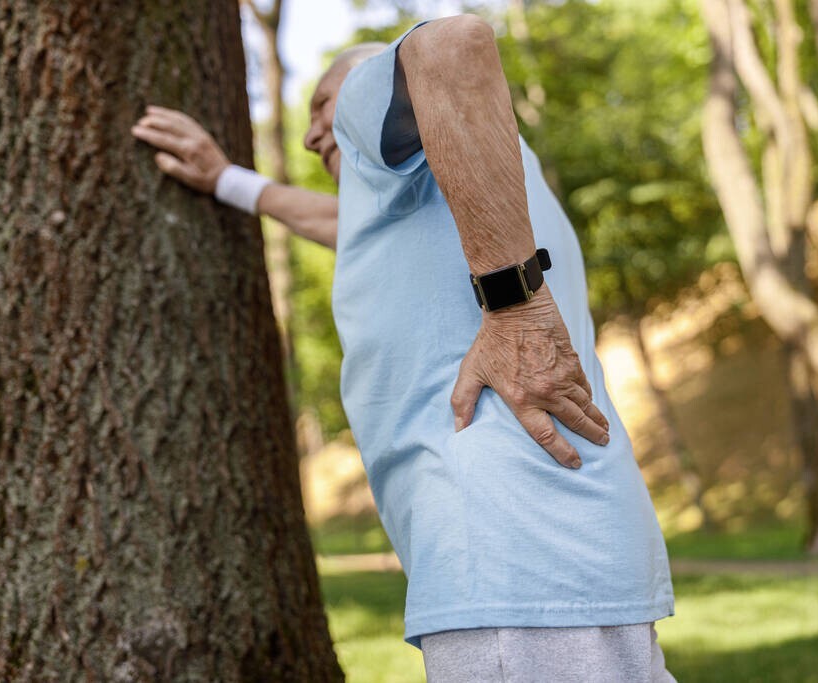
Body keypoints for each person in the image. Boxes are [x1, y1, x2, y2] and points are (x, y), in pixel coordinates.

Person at [132, 14, 676, 682]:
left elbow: (448, 48)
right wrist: (227, 180)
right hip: (566, 553)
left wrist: (515, 308)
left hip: (511, 559)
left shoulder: (382, 100)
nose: (308, 137)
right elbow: (339, 222)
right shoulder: (482, 197)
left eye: (321, 106)